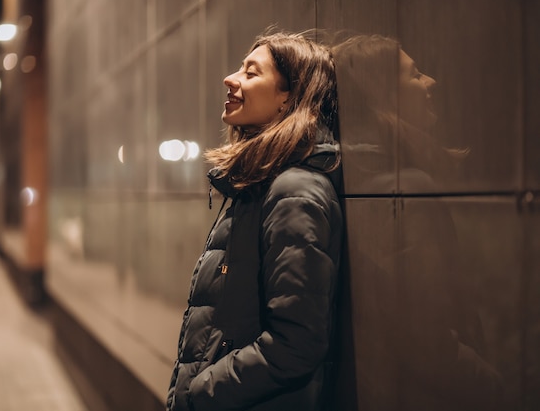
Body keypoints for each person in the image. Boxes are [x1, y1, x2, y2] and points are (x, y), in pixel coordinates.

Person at [166, 30, 344, 411]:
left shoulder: (294, 191)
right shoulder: (261, 185)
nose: (231, 79)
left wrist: (201, 392)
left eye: (251, 73)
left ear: (288, 99)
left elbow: (297, 343)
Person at [331, 34, 502, 411]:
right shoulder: (403, 187)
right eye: (415, 74)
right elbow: (426, 339)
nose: (431, 83)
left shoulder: (348, 179)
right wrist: (494, 386)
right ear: (382, 95)